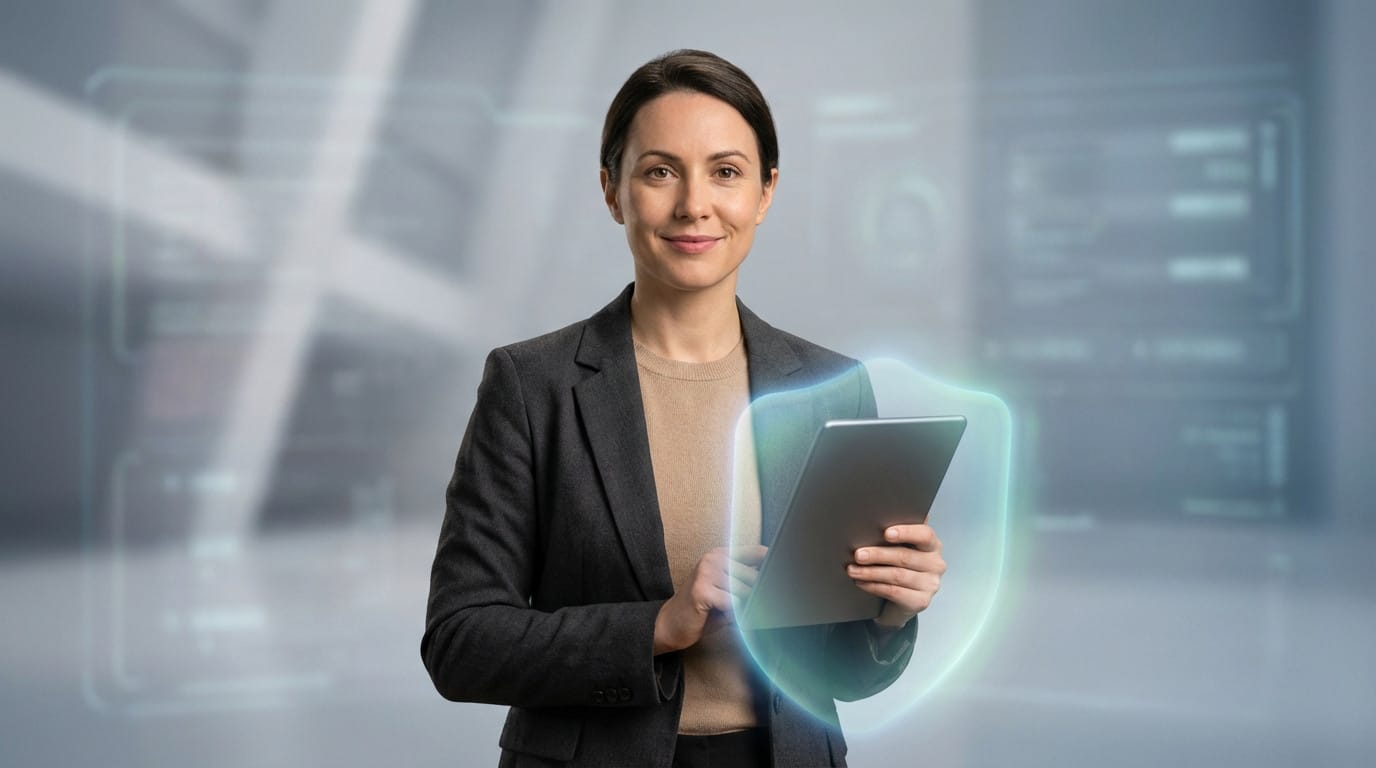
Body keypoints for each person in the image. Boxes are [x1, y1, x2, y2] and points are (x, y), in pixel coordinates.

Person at [422, 49, 947, 768]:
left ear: (765, 193)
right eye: (660, 171)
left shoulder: (833, 387)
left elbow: (844, 674)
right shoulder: (529, 385)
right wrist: (660, 626)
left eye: (726, 172)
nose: (693, 204)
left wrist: (892, 611)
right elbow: (460, 642)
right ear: (612, 191)